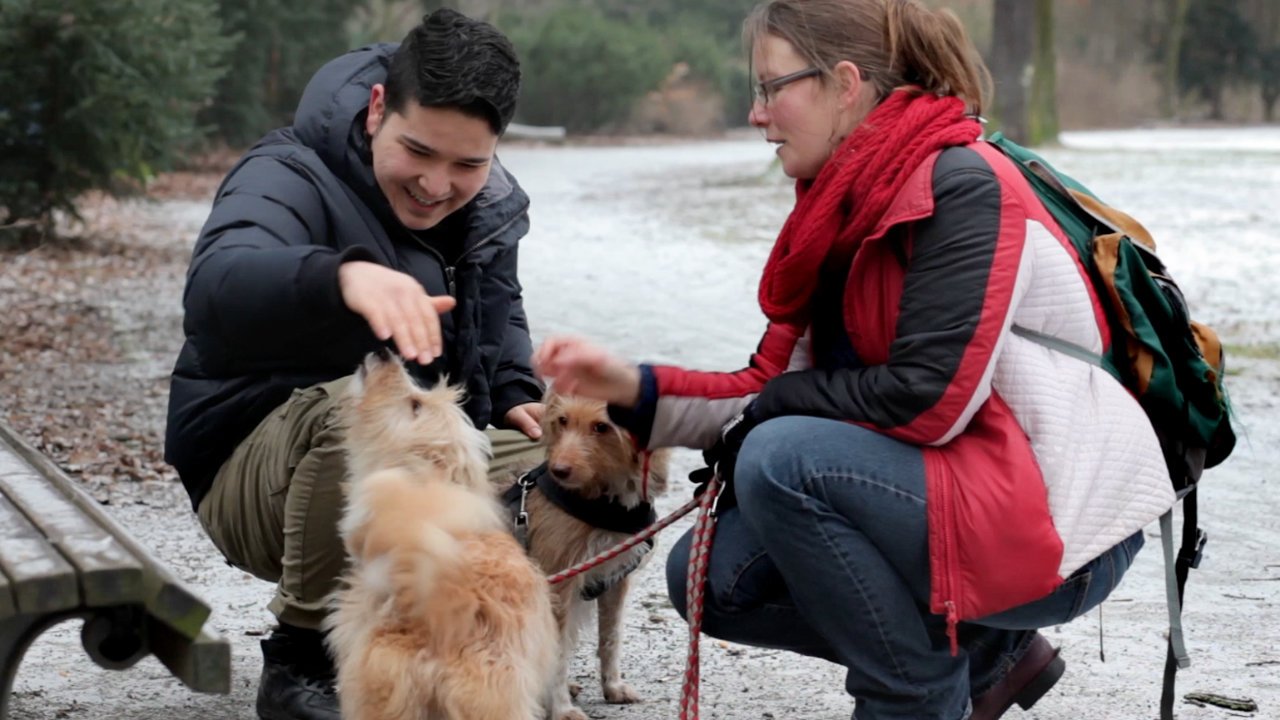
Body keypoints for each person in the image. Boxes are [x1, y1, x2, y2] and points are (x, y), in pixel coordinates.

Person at [534, 1, 1176, 718]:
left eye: (771, 87)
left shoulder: (965, 186)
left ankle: (911, 694)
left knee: (782, 457)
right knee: (706, 574)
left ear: (844, 84)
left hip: (1063, 527)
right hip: (965, 494)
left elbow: (930, 401)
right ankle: (982, 658)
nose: (757, 113)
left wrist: (768, 417)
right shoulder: (842, 203)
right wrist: (629, 386)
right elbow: (763, 384)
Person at [164, 10, 546, 720]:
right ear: (378, 110)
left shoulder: (488, 202)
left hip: (408, 466)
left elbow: (501, 307)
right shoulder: (286, 171)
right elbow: (218, 282)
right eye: (419, 153)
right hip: (258, 481)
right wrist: (338, 277)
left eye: (467, 163)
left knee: (550, 456)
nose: (437, 184)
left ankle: (472, 651)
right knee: (358, 407)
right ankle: (300, 660)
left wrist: (521, 387)